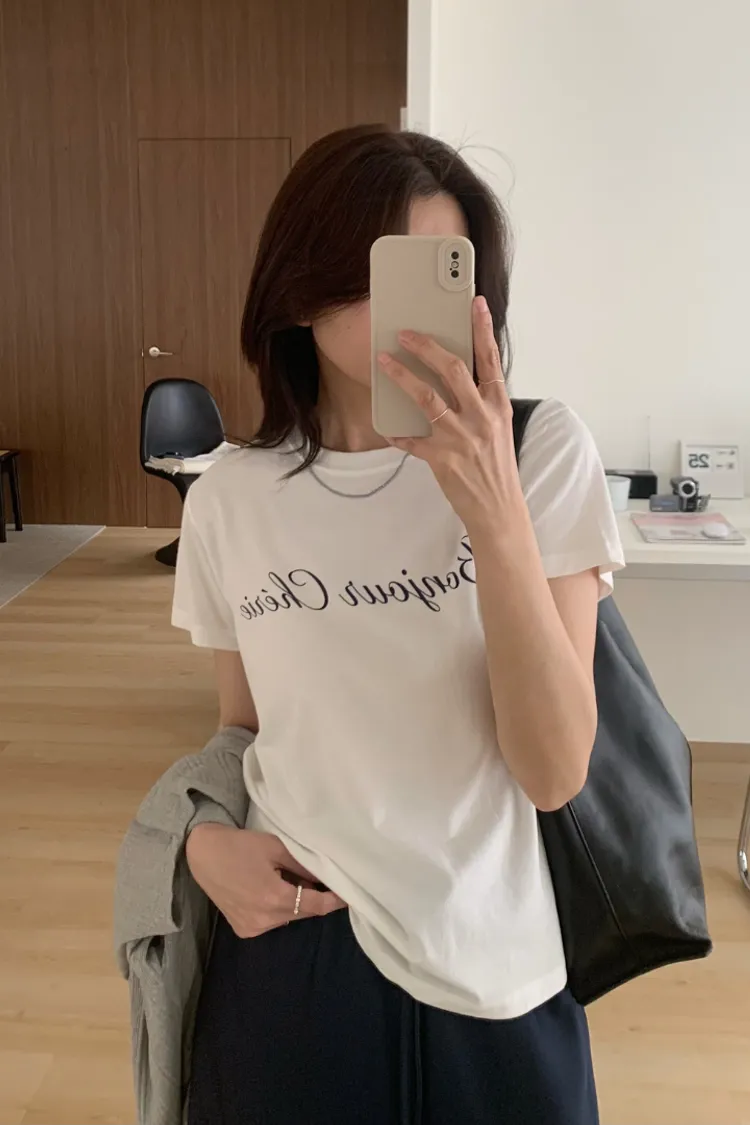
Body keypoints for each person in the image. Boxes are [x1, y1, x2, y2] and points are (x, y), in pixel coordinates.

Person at [173, 125, 625, 1125]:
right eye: (388, 271)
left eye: (445, 273)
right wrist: (200, 844)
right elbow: (242, 734)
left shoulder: (541, 453)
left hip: (492, 957)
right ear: (303, 287)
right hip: (292, 942)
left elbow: (554, 770)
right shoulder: (229, 497)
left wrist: (491, 510)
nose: (421, 308)